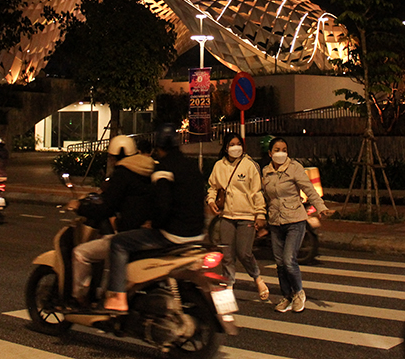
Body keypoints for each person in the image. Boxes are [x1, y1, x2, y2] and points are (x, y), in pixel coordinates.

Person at [104, 124, 206, 312]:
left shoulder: (163, 169)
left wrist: (153, 224)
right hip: (198, 235)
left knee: (119, 243)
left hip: (173, 235)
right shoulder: (192, 166)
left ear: (158, 148)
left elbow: (162, 204)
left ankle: (118, 296)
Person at [66, 135, 154, 307]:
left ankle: (80, 298)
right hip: (150, 233)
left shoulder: (123, 174)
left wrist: (80, 207)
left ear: (114, 157)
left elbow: (106, 207)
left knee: (80, 253)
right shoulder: (148, 169)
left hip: (129, 235)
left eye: (111, 158)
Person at [261, 137, 331, 313]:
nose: (281, 153)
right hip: (275, 221)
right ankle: (287, 296)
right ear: (270, 153)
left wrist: (321, 207)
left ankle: (298, 292)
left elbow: (308, 189)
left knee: (288, 260)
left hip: (295, 220)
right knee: (279, 263)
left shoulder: (295, 168)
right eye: (277, 149)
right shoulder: (266, 172)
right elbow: (262, 196)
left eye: (284, 149)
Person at [206, 132, 269, 299]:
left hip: (247, 216)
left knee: (244, 253)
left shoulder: (250, 165)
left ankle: (257, 278)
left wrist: (260, 214)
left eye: (238, 144)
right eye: (232, 145)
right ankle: (228, 285)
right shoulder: (219, 166)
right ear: (226, 148)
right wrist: (211, 201)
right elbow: (212, 187)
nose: (236, 148)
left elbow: (257, 192)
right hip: (226, 216)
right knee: (227, 254)